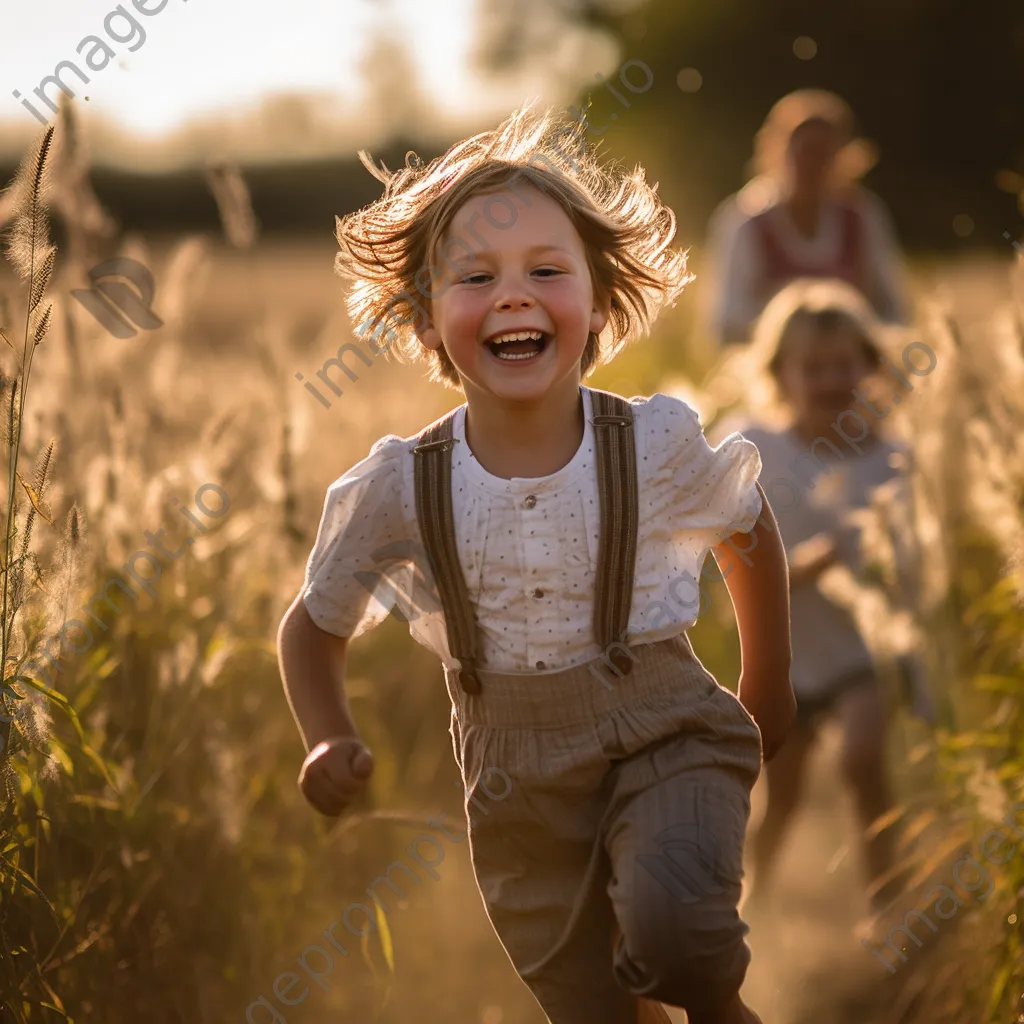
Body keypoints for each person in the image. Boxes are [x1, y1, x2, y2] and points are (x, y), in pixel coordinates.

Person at [276, 106, 796, 1024]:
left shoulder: (652, 441)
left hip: (664, 726)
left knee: (681, 942)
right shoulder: (399, 484)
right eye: (475, 278)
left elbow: (745, 529)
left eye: (545, 272)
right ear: (427, 321)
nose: (513, 295)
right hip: (514, 778)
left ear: (599, 304)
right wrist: (326, 733)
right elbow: (314, 624)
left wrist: (769, 685)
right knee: (589, 1006)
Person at [734, 277, 922, 914]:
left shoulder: (891, 457)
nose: (831, 379)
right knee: (780, 795)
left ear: (869, 366)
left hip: (860, 649)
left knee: (865, 761)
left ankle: (886, 900)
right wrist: (799, 571)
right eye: (812, 367)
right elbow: (728, 564)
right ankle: (753, 903)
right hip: (787, 661)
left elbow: (917, 558)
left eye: (844, 363)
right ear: (779, 374)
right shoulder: (756, 450)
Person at [706, 90, 909, 347]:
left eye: (824, 155)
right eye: (804, 152)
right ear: (777, 152)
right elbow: (726, 322)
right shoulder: (746, 220)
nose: (812, 165)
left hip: (850, 369)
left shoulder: (863, 216)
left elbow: (894, 310)